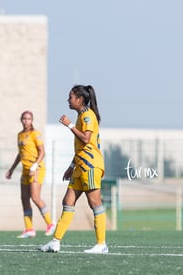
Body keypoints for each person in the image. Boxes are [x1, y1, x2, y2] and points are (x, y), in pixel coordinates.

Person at [39, 85, 107, 254]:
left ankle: (101, 244)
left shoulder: (88, 116)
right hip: (80, 166)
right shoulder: (81, 117)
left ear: (79, 99)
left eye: (70, 97)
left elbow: (86, 139)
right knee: (67, 202)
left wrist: (69, 125)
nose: (68, 100)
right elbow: (81, 147)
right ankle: (55, 242)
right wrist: (71, 166)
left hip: (91, 166)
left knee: (95, 203)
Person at [6, 110, 55, 238]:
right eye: (24, 118)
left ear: (32, 120)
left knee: (35, 197)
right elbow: (20, 154)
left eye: (28, 119)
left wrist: (34, 165)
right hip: (25, 170)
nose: (26, 121)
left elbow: (42, 152)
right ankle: (29, 229)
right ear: (21, 120)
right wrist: (11, 169)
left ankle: (50, 224)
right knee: (24, 197)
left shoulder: (36, 134)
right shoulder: (20, 135)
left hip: (36, 169)